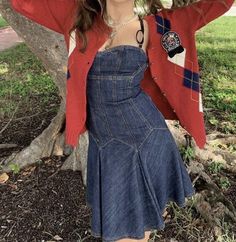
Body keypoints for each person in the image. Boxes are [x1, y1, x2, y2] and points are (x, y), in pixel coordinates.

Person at [10, 0, 234, 241]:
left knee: (135, 232)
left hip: (146, 139)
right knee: (128, 230)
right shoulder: (75, 17)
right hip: (106, 146)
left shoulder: (158, 26)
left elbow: (220, 2)